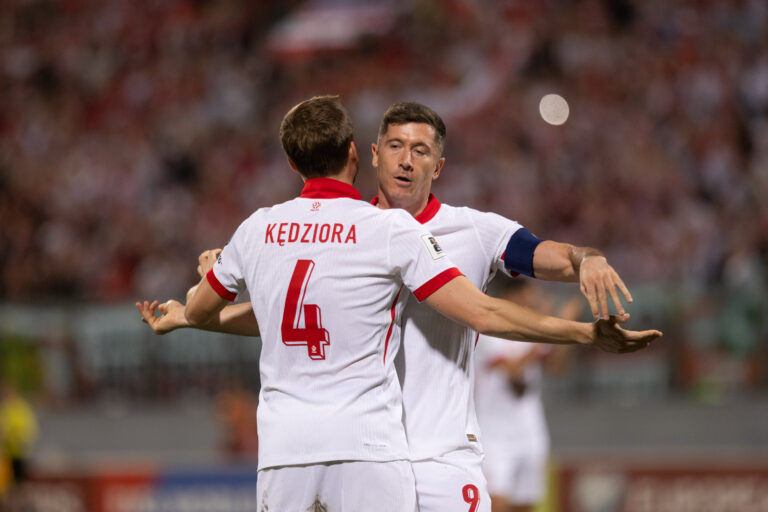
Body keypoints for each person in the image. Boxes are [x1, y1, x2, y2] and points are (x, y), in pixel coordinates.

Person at [137, 96, 661, 511]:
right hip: (367, 455)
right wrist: (194, 320)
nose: (406, 160)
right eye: (394, 146)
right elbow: (292, 319)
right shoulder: (356, 232)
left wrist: (588, 257)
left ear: (440, 165)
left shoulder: (475, 231)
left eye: (421, 150)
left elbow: (550, 260)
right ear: (368, 154)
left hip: (440, 459)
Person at [475, 279, 580, 512]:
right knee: (497, 505)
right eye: (530, 292)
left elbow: (557, 369)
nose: (535, 298)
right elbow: (513, 374)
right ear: (513, 295)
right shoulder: (488, 331)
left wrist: (567, 331)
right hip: (494, 437)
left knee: (525, 506)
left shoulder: (533, 333)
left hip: (530, 433)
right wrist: (550, 331)